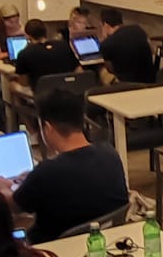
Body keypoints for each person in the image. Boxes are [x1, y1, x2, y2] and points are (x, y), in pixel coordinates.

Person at [10, 89, 129, 243]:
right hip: (107, 242)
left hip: (54, 249)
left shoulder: (46, 172)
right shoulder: (110, 153)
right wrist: (30, 180)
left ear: (47, 127)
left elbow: (14, 207)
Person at [13, 18, 79, 89]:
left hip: (41, 93)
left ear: (27, 36)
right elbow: (78, 70)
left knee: (12, 85)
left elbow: (24, 83)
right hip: (67, 89)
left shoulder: (24, 53)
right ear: (45, 32)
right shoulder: (64, 45)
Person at [97, 7, 155, 85]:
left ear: (106, 25)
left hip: (126, 86)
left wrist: (104, 40)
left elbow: (110, 70)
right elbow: (152, 50)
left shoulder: (106, 44)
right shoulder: (138, 29)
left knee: (100, 69)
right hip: (150, 81)